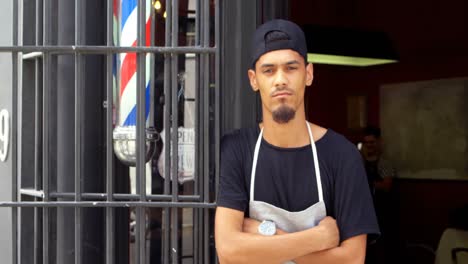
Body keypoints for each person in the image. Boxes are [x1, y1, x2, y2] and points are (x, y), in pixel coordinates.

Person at [215, 19, 380, 263]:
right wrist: (319, 237)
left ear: (309, 74)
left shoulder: (342, 155)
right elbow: (229, 251)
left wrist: (263, 232)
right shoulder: (237, 148)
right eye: (268, 70)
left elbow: (352, 258)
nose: (280, 79)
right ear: (253, 79)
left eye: (291, 68)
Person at [361, 126, 397, 264]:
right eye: (366, 143)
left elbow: (387, 186)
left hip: (383, 211)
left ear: (378, 142)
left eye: (372, 142)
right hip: (365, 211)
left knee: (383, 248)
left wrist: (368, 184)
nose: (369, 145)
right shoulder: (360, 162)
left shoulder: (384, 163)